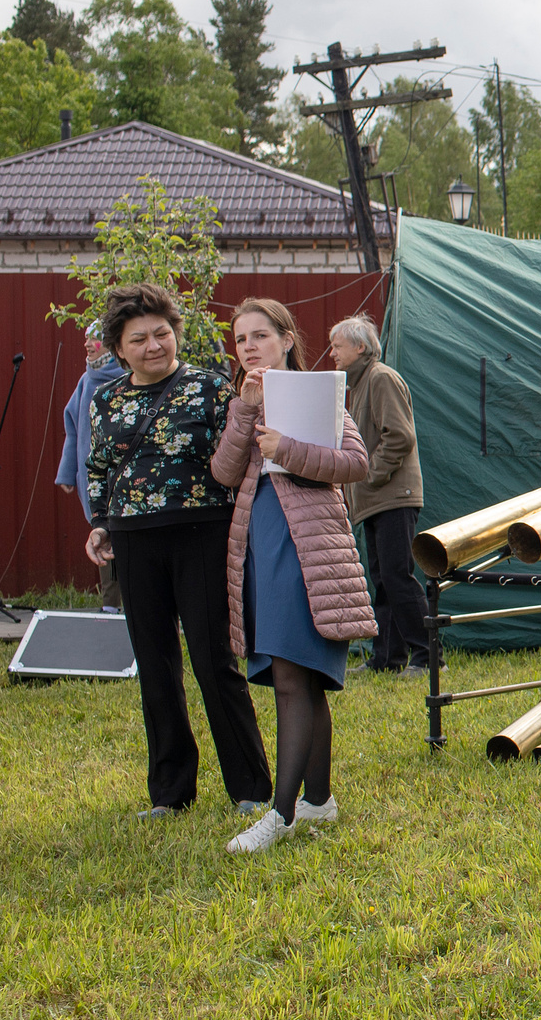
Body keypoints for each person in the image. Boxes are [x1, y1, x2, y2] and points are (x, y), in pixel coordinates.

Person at [83, 282, 274, 823]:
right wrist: (100, 523)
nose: (153, 345)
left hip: (202, 533)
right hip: (133, 538)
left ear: (176, 334)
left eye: (161, 333)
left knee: (215, 660)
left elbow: (234, 460)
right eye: (138, 339)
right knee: (155, 664)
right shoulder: (106, 399)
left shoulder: (210, 388)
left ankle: (250, 787)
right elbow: (99, 468)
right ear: (119, 349)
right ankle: (170, 793)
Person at [215, 297, 375, 856]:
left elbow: (355, 464)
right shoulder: (242, 403)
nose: (249, 346)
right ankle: (319, 801)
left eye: (260, 335)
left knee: (293, 675)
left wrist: (288, 448)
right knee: (302, 679)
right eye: (241, 339)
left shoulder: (318, 394)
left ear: (286, 340)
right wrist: (245, 413)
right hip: (260, 546)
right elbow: (224, 472)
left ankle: (280, 815)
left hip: (308, 549)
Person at [329, 314, 427, 674]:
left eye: (337, 346)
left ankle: (429, 657)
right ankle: (387, 659)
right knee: (383, 580)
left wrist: (368, 476)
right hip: (374, 500)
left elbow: (400, 436)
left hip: (393, 497)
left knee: (397, 576)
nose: (332, 353)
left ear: (360, 347)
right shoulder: (359, 385)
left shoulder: (381, 378)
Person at [54, 324, 128, 611]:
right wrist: (67, 471)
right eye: (86, 338)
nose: (87, 344)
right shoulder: (86, 381)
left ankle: (135, 605)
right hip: (93, 477)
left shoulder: (128, 377)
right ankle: (110, 606)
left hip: (126, 477)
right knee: (102, 534)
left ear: (111, 344)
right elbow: (73, 428)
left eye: (95, 338)